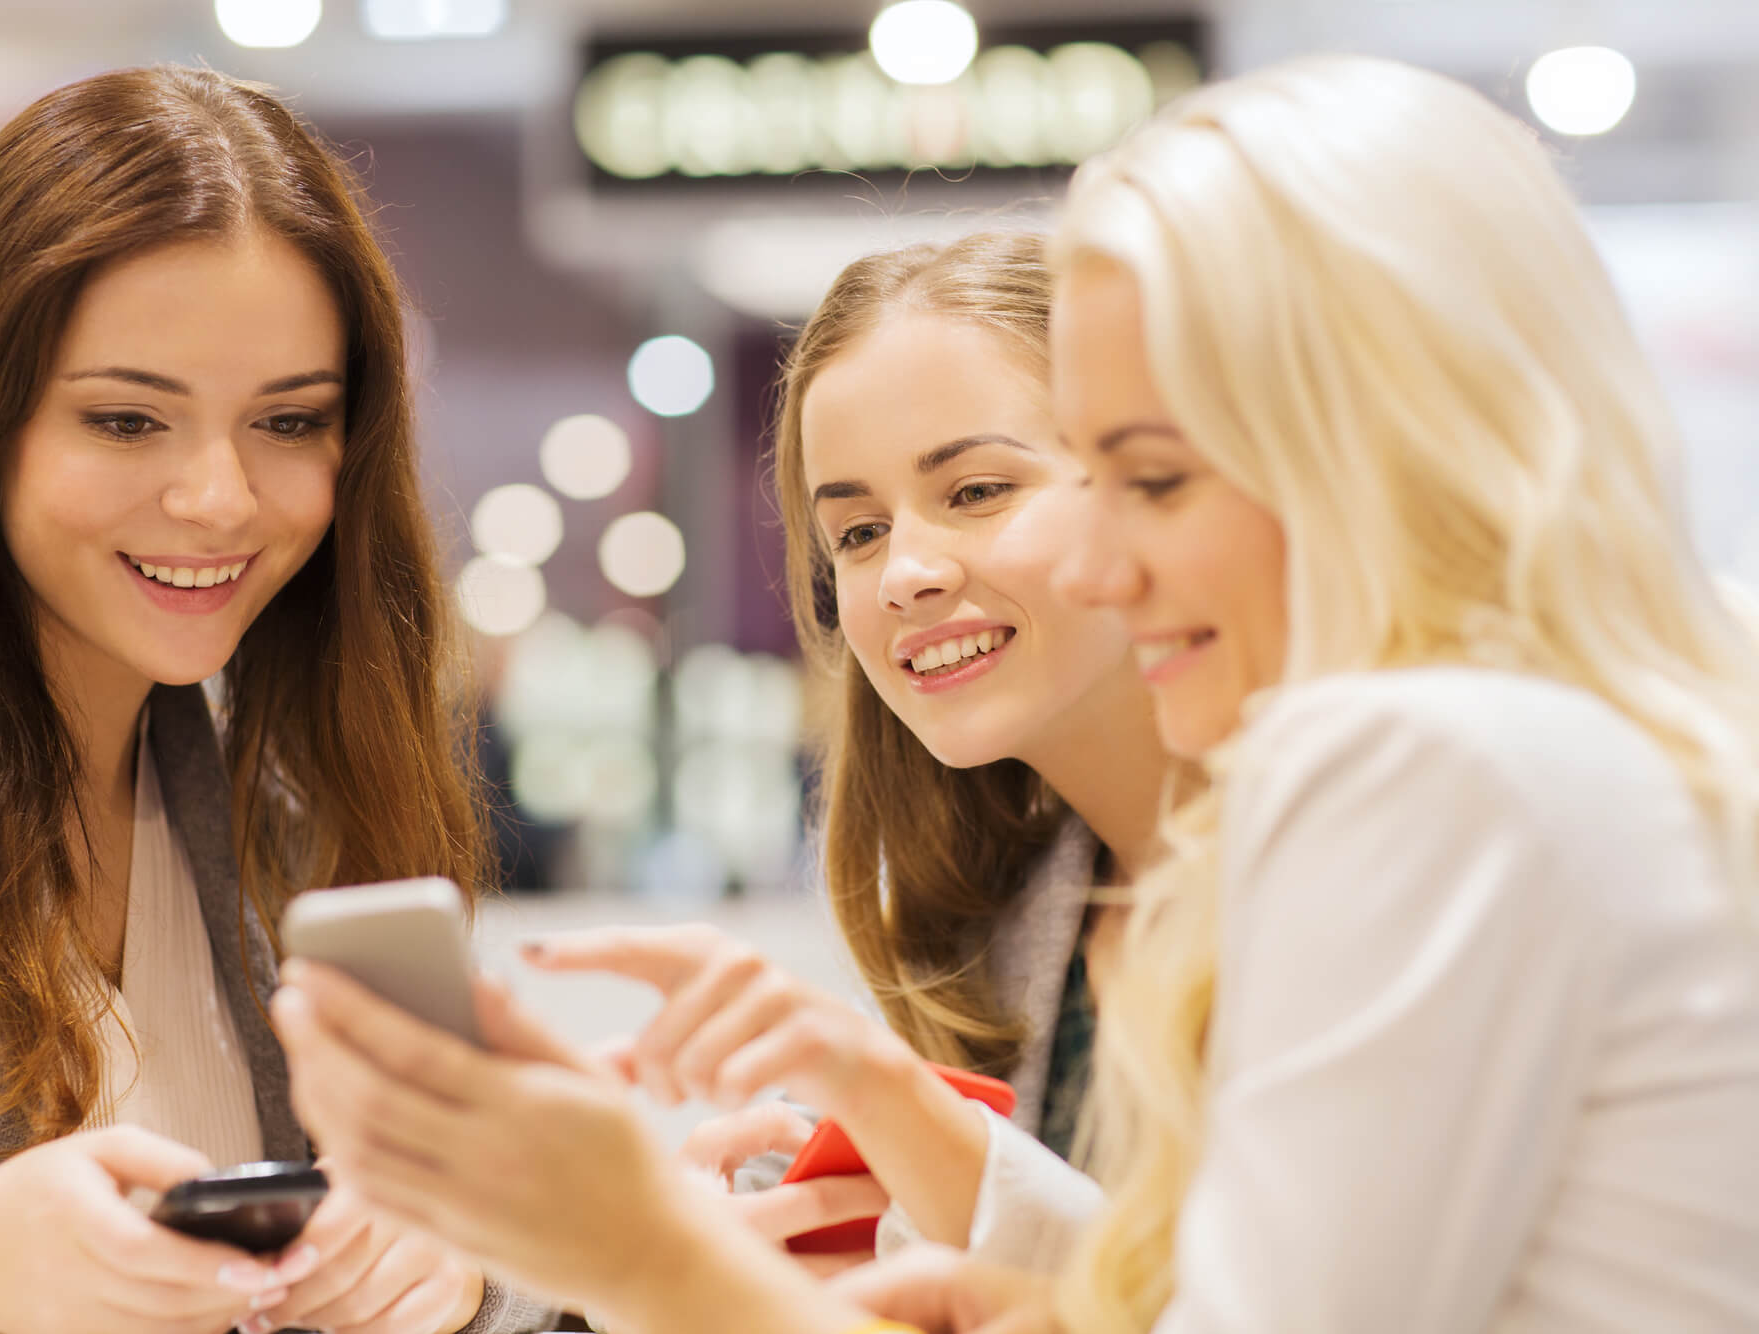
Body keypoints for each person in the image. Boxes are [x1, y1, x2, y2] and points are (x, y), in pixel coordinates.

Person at [278, 52, 1759, 1334]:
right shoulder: (1531, 748)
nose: (1097, 556)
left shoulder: (1424, 762)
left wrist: (639, 1252)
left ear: (1371, 443)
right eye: (854, 531)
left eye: (1151, 476)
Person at [0, 64, 550, 1334]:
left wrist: (452, 1273)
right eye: (128, 421)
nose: (222, 498)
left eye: (289, 423)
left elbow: (446, 1231)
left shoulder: (285, 796)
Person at [520, 232, 1179, 1268]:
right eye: (858, 532)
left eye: (974, 491)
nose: (903, 571)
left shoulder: (1347, 860)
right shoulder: (984, 924)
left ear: (1144, 479)